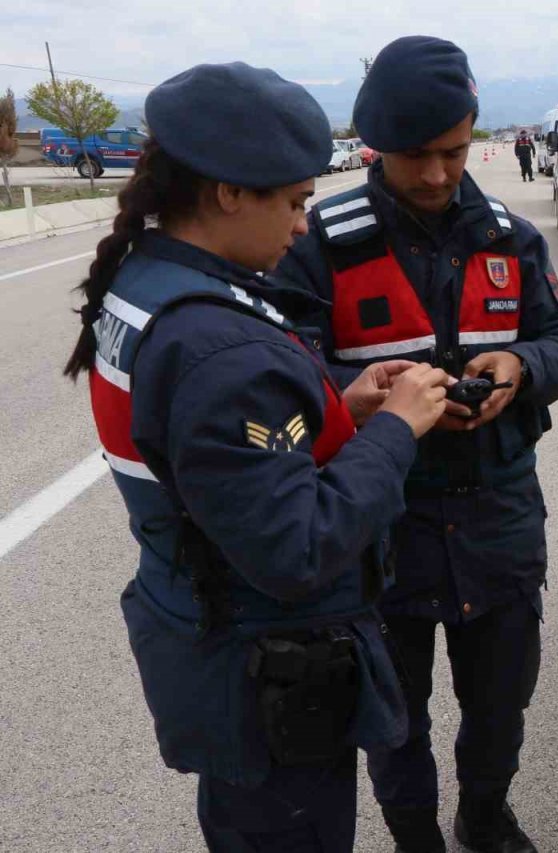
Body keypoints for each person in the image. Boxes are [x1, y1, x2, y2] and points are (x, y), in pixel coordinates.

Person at [66, 62, 454, 851]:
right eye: (294, 202)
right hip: (271, 669)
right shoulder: (222, 344)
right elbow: (296, 546)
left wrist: (338, 409)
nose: (303, 225)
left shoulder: (151, 283)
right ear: (228, 193)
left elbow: (206, 456)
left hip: (210, 631)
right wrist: (397, 429)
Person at [275, 36, 558, 853]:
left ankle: (485, 816)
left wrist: (522, 366)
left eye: (454, 151)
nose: (441, 175)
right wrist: (369, 392)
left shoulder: (512, 239)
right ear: (374, 146)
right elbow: (284, 368)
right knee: (392, 715)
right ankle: (415, 835)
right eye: (418, 157)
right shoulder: (317, 246)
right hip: (382, 526)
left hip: (500, 516)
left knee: (500, 704)